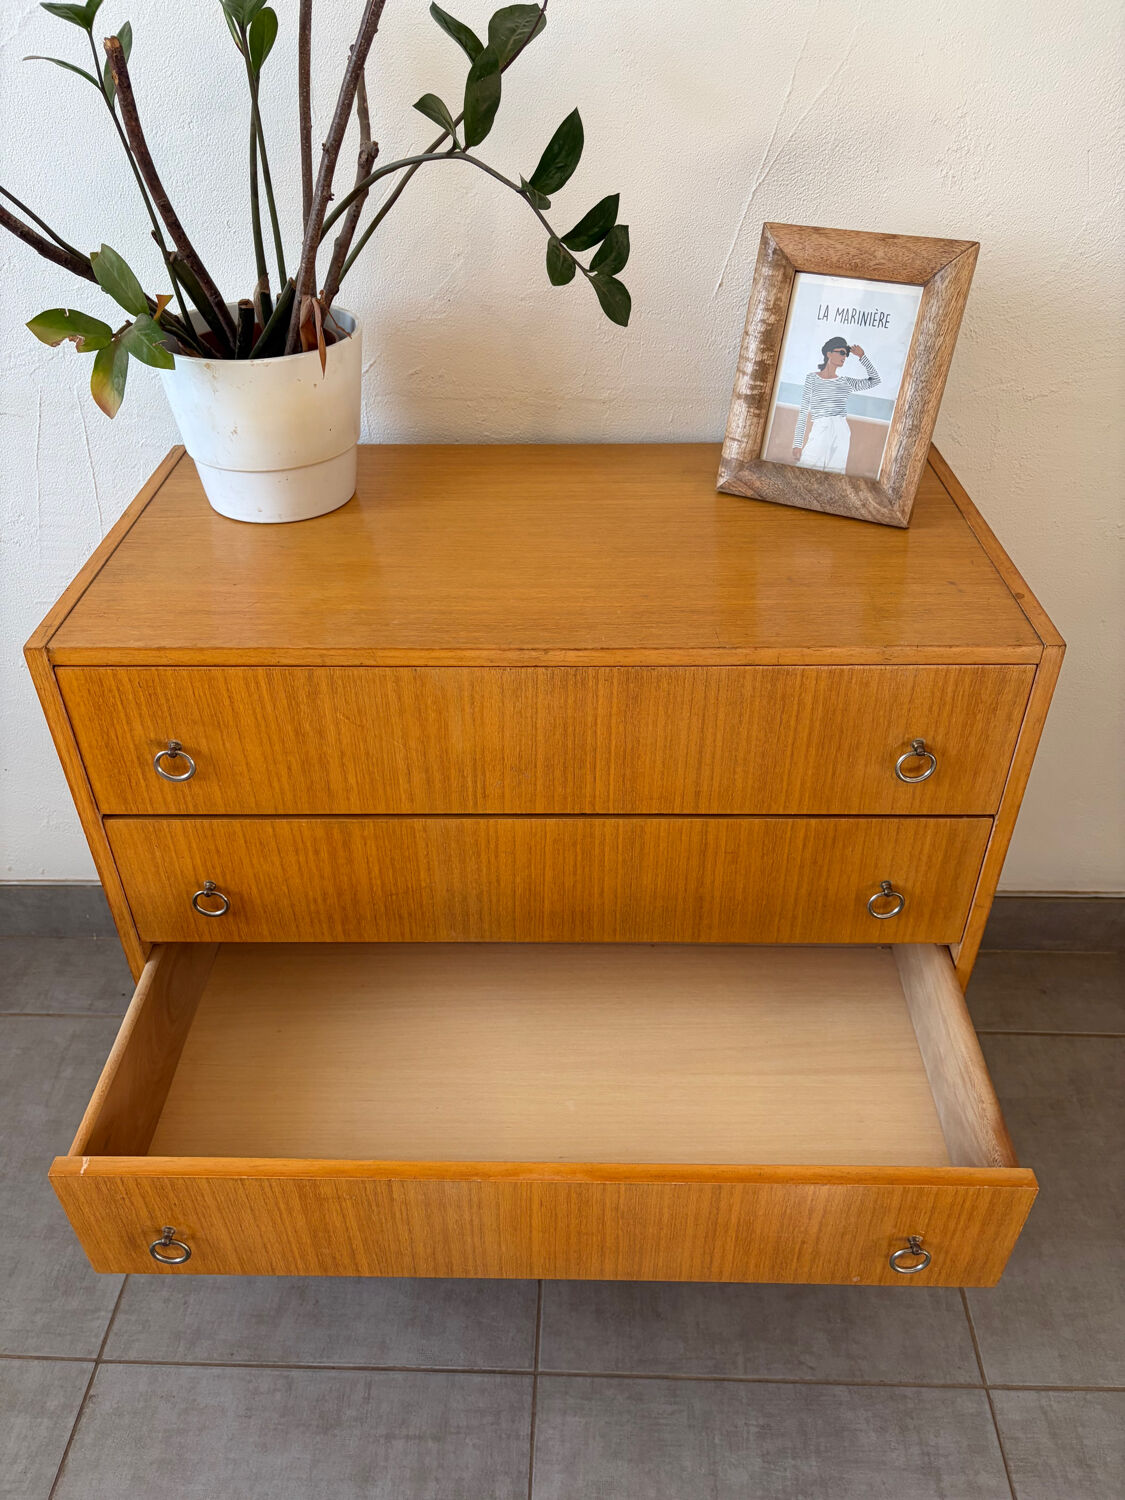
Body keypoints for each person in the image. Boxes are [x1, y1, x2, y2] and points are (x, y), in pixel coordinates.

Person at [791, 337, 880, 473]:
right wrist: (797, 444)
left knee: (835, 472)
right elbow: (803, 411)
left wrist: (862, 356)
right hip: (821, 427)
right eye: (842, 353)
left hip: (841, 429)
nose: (844, 357)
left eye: (846, 354)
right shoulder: (812, 378)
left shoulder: (845, 382)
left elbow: (875, 380)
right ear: (829, 354)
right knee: (806, 469)